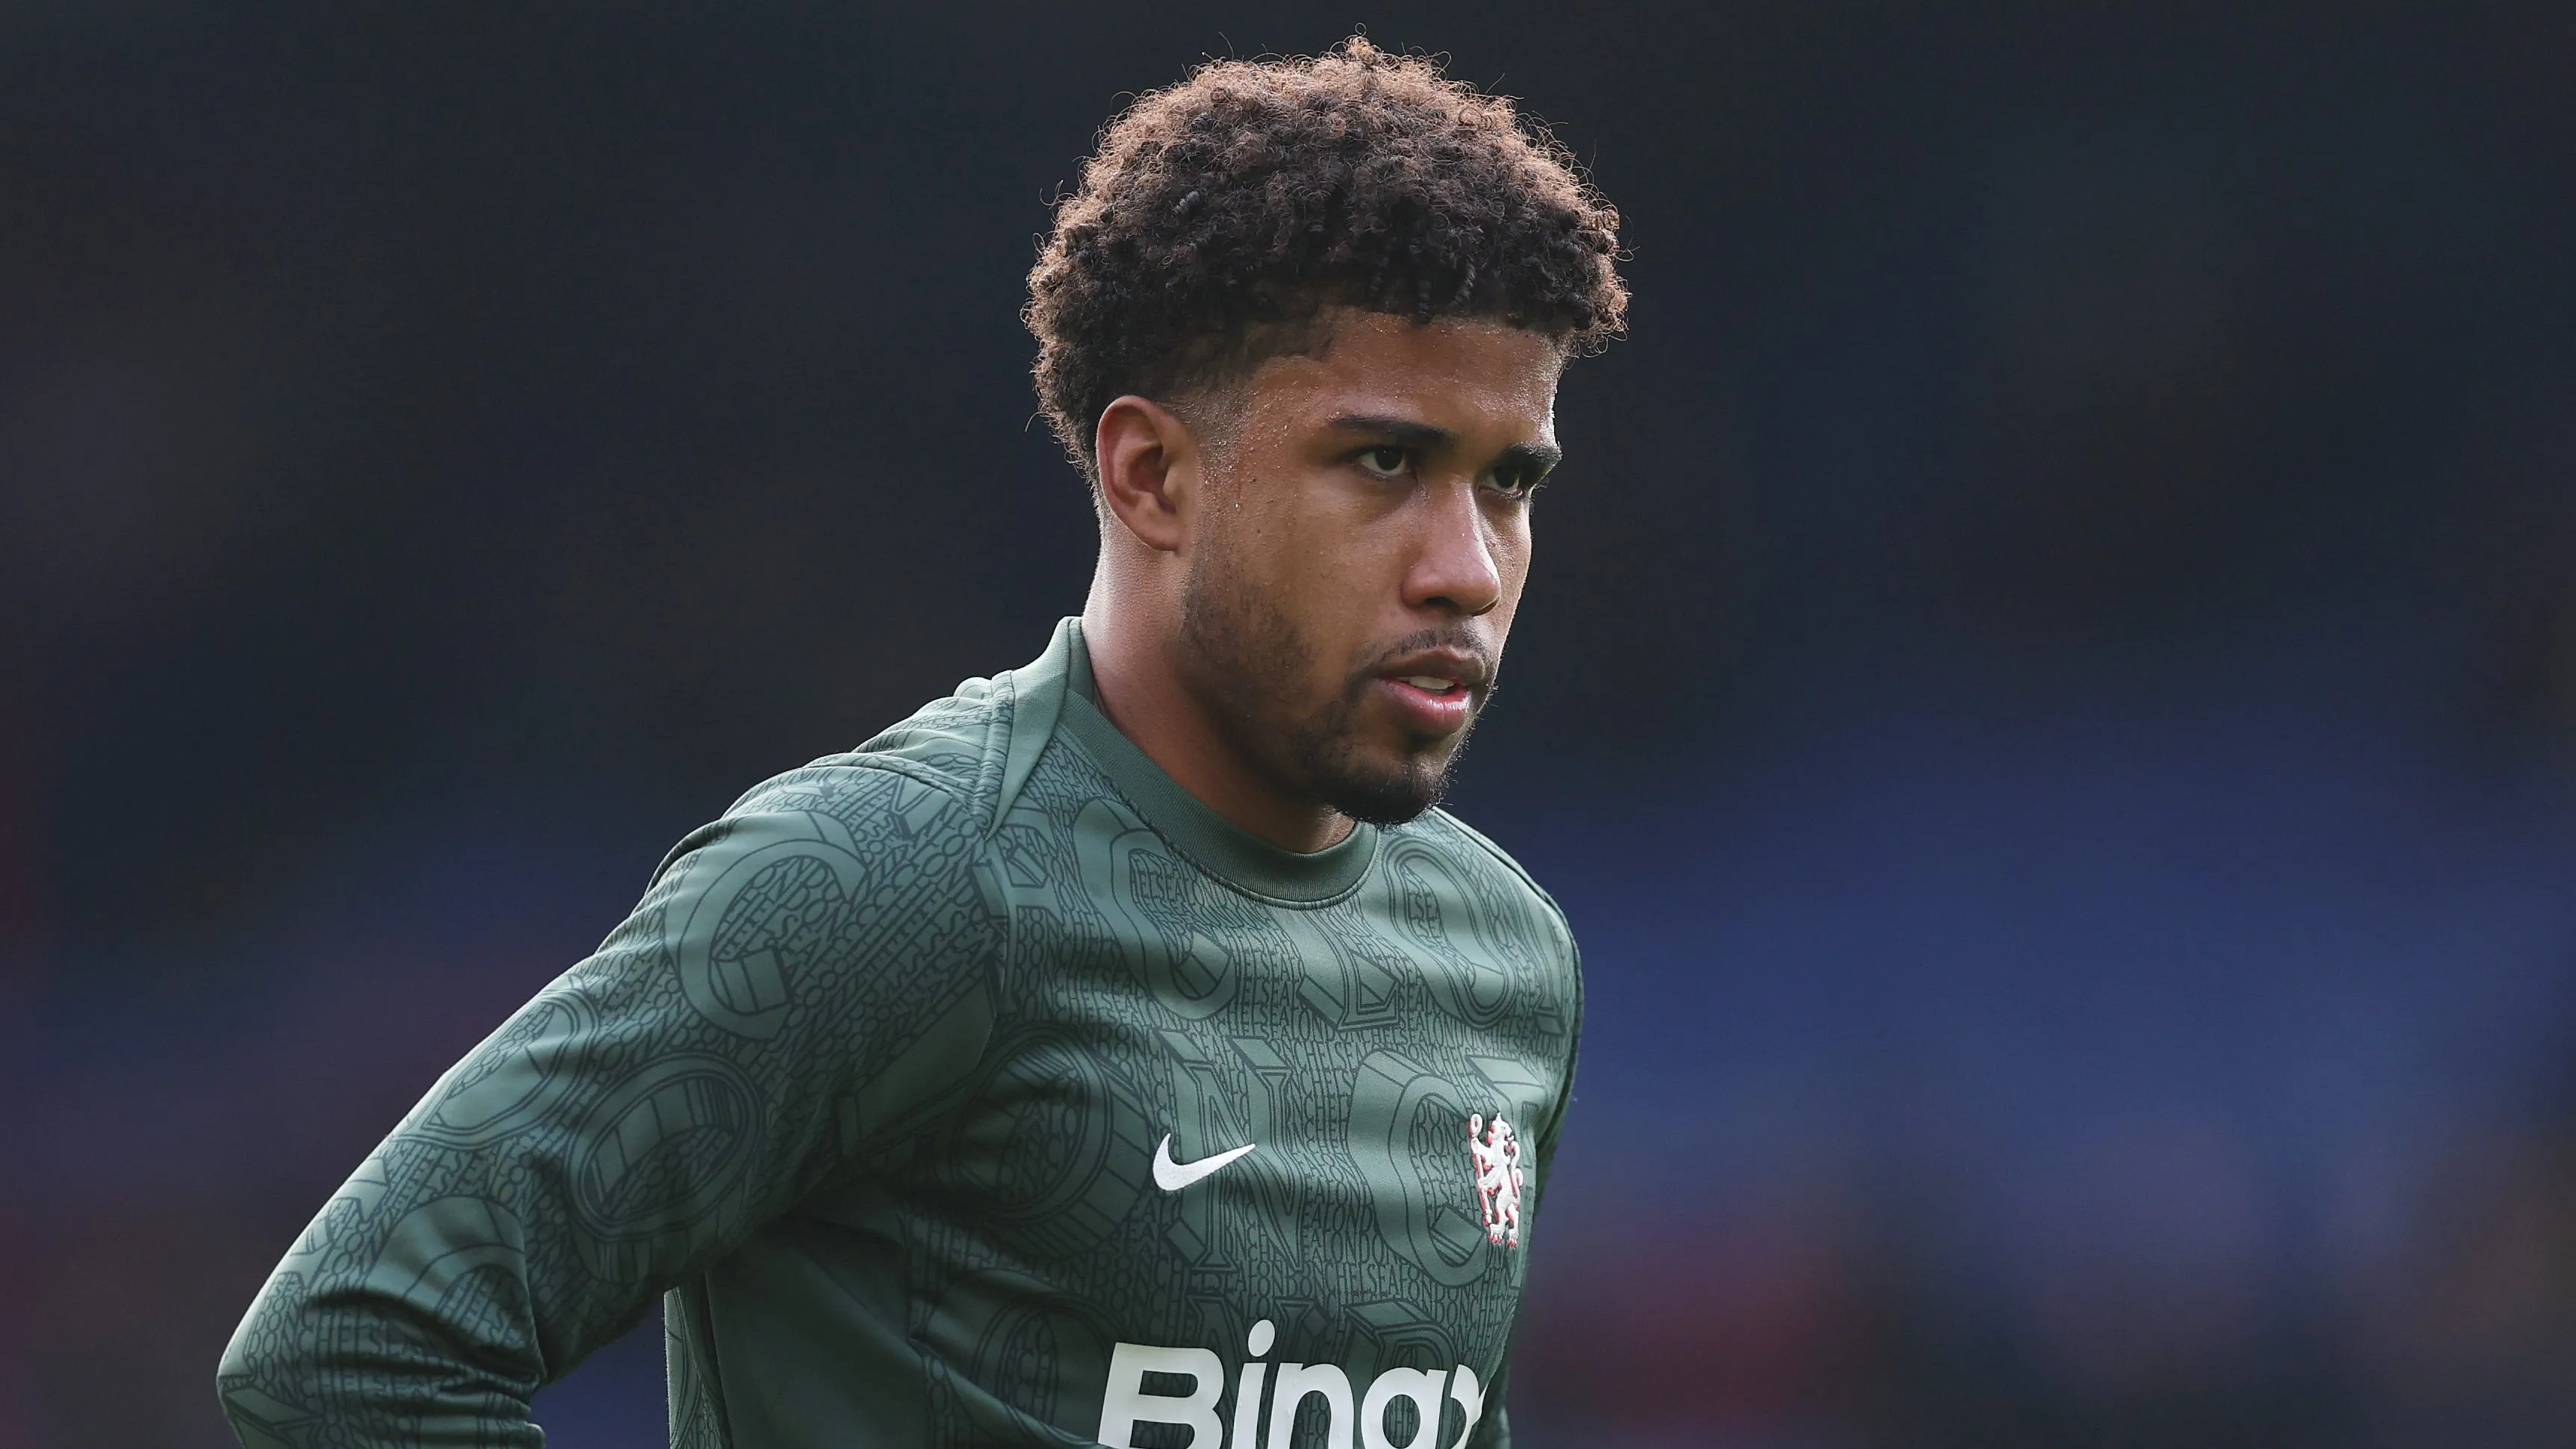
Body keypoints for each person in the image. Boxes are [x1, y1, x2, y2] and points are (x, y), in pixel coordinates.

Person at [218, 37, 1625, 1449]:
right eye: (1382, 462)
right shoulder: (894, 884)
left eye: (1507, 484)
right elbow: (351, 1350)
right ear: (1150, 474)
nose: (1467, 567)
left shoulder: (1504, 955)